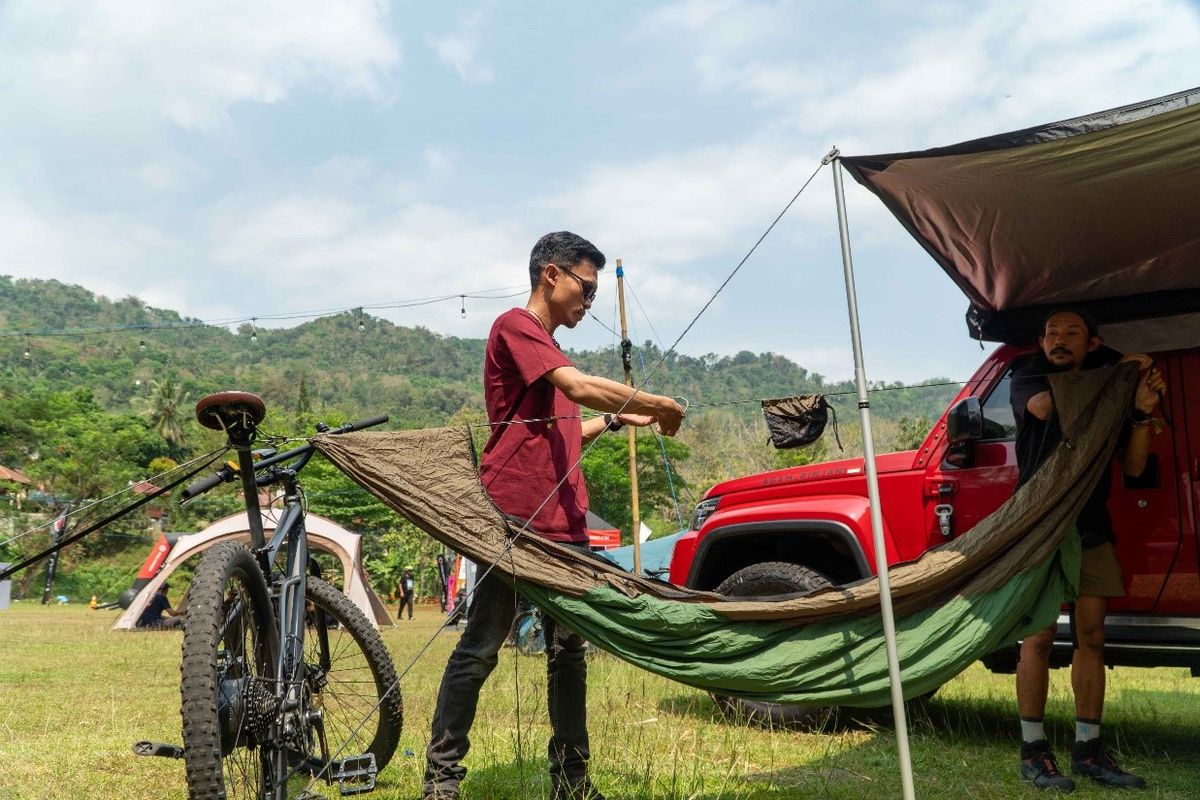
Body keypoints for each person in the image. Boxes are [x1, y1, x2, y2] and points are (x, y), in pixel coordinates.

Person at [423, 231, 686, 800]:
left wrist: (615, 422)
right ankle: (442, 779)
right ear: (551, 273)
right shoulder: (516, 327)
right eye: (584, 289)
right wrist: (657, 403)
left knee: (568, 650)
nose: (588, 304)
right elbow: (580, 387)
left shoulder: (547, 354)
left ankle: (571, 781)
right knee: (483, 644)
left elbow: (564, 425)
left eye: (593, 293)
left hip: (566, 526)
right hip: (512, 517)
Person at [1010, 308, 1164, 792]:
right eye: (1051, 332)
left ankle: (1088, 751)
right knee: (1035, 639)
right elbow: (1044, 408)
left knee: (1091, 637)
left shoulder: (1111, 393)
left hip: (1093, 528)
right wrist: (1123, 374)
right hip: (1039, 528)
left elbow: (1135, 467)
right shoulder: (1026, 374)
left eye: (1071, 332)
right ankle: (1033, 753)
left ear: (1092, 344)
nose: (1058, 339)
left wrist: (1138, 410)